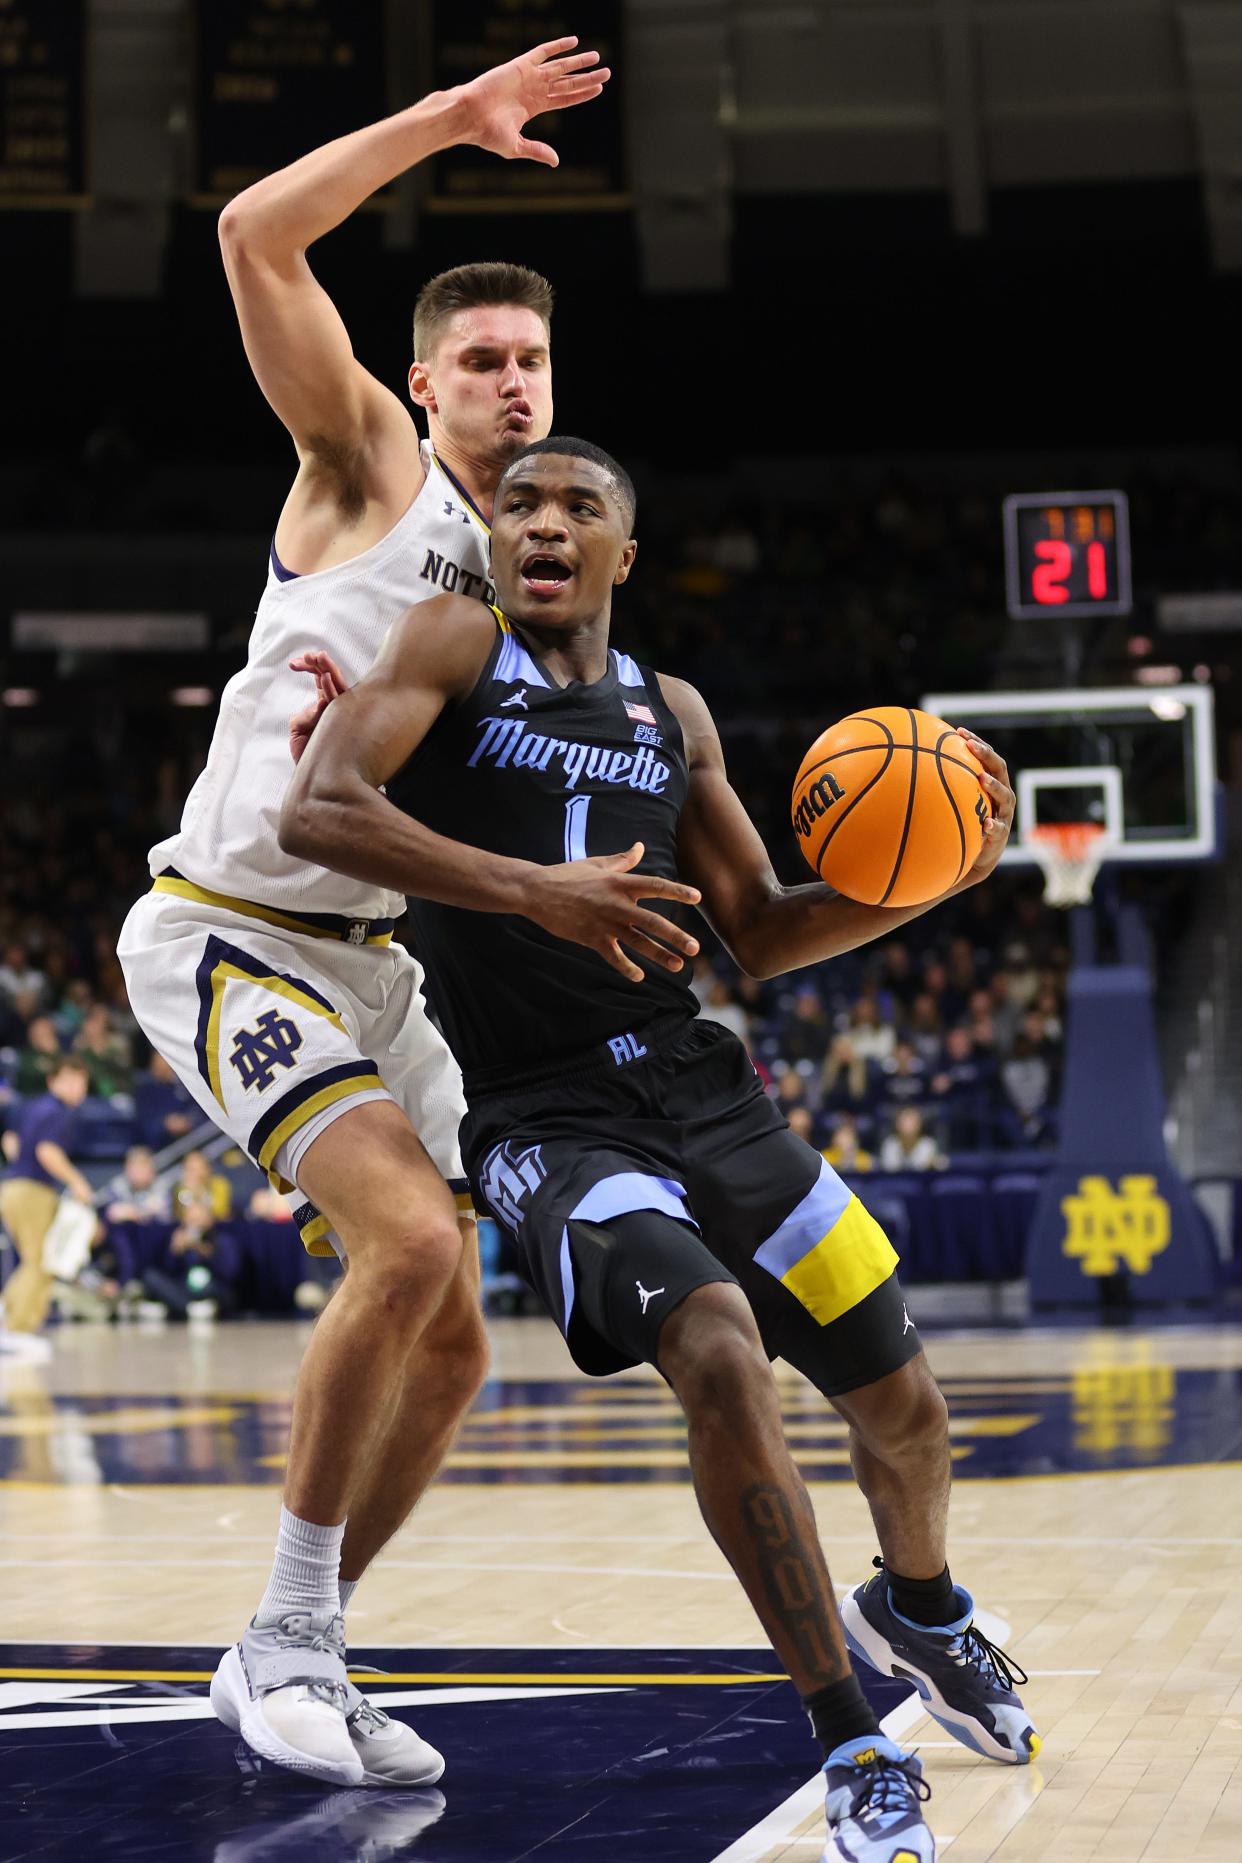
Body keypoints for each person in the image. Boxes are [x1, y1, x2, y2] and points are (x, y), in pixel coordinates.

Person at [282, 438, 1037, 1862]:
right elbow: (318, 807)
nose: (543, 524)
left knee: (905, 1405)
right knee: (713, 1341)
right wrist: (531, 891)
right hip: (545, 1113)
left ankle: (921, 1606)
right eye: (519, 506)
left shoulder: (667, 707)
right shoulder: (450, 639)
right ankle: (848, 1738)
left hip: (707, 1092)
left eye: (579, 509)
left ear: (625, 555)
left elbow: (752, 927)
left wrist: (931, 878)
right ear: (496, 542)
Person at [115, 36, 630, 1792]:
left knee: (462, 1326)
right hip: (231, 924)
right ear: (417, 383)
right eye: (476, 358)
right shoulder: (363, 471)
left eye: (529, 360)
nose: (506, 380)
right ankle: (285, 1635)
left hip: (376, 960)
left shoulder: (523, 573)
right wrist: (446, 124)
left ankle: (288, 1641)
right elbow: (257, 233)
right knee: (406, 1245)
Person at [0, 1057, 93, 1337]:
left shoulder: (34, 1107)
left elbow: (10, 1139)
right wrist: (78, 1183)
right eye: (69, 1080)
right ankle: (16, 1331)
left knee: (34, 1261)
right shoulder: (58, 1112)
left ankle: (11, 1321)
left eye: (81, 1081)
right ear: (52, 1081)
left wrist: (20, 1168)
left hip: (14, 1187)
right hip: (32, 1191)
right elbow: (47, 1151)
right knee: (41, 1263)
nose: (77, 1087)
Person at [879, 1106, 947, 1173]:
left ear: (919, 1124)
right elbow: (890, 1170)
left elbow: (922, 1169)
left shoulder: (928, 1143)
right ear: (897, 1124)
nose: (908, 1125)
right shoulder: (890, 1143)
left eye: (912, 1121)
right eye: (904, 1121)